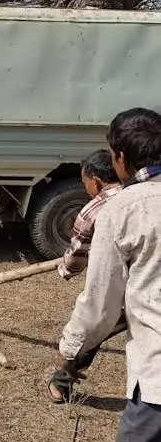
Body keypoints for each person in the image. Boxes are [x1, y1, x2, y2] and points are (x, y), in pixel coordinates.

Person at [58, 108, 161, 441]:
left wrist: (71, 346)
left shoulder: (120, 210)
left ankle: (65, 377)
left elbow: (100, 305)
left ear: (120, 158)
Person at [48, 149, 122, 403]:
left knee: (87, 336)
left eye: (84, 182)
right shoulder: (140, 194)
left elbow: (78, 253)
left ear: (96, 180)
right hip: (148, 283)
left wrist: (66, 270)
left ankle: (61, 385)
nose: (85, 188)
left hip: (118, 288)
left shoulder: (93, 209)